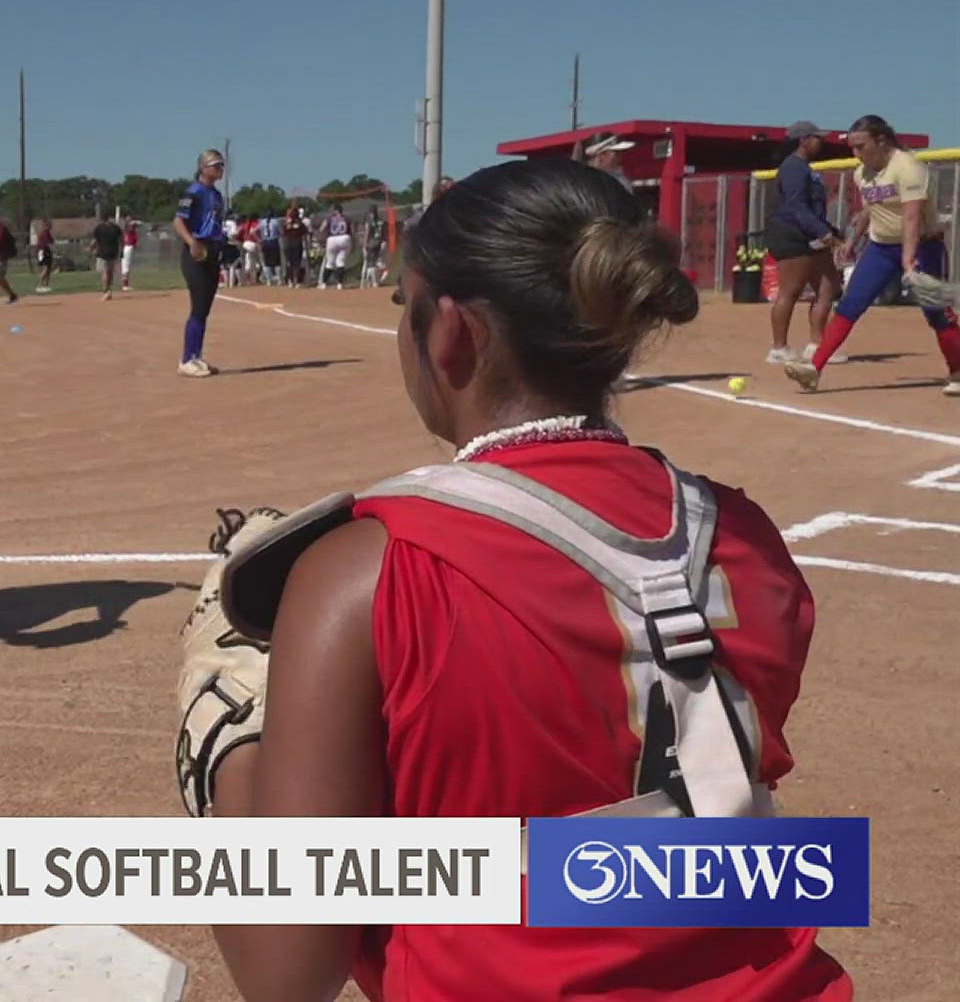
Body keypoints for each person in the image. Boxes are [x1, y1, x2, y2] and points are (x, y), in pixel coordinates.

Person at [199, 158, 850, 1000]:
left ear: (451, 332)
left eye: (408, 307)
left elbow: (285, 979)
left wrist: (229, 760)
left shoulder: (368, 568)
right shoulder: (745, 536)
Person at [785, 114, 959, 396]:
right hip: (882, 248)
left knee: (936, 312)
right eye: (852, 147)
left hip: (923, 246)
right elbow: (870, 209)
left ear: (882, 141)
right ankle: (813, 369)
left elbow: (912, 217)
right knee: (850, 304)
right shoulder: (861, 173)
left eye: (861, 146)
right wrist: (853, 240)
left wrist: (908, 258)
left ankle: (957, 371)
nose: (856, 153)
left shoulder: (908, 167)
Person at [764, 121, 844, 366]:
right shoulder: (793, 168)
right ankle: (778, 348)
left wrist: (830, 230)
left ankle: (816, 345)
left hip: (811, 235)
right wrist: (822, 231)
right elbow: (796, 205)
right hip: (792, 236)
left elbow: (811, 207)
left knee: (827, 288)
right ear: (803, 140)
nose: (820, 142)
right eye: (816, 137)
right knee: (790, 291)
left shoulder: (806, 168)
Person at [173, 149, 227, 377]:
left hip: (212, 251)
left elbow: (213, 224)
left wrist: (223, 242)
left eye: (221, 165)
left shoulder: (216, 195)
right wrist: (192, 242)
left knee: (204, 309)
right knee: (198, 306)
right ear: (203, 167)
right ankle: (186, 359)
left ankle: (196, 356)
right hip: (196, 252)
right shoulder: (193, 192)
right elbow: (178, 221)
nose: (220, 169)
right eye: (215, 164)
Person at [91, 215, 123, 299]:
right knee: (110, 272)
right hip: (113, 252)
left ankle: (106, 290)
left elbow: (94, 240)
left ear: (101, 219)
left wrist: (91, 248)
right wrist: (120, 251)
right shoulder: (116, 227)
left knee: (104, 271)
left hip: (102, 252)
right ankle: (109, 289)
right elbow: (121, 239)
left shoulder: (98, 228)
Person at [320, 204, 352, 287]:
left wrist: (323, 237)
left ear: (336, 210)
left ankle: (324, 283)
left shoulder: (330, 218)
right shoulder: (346, 218)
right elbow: (352, 230)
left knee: (330, 262)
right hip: (345, 238)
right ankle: (340, 284)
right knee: (340, 262)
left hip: (332, 239)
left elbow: (321, 229)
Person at [280, 204, 308, 288]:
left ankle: (290, 281)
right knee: (296, 264)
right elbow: (305, 235)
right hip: (296, 244)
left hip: (289, 244)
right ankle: (295, 280)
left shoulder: (286, 223)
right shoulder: (300, 223)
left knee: (290, 263)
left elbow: (283, 234)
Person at [359, 207, 387, 287]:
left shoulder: (369, 222)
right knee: (375, 262)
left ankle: (373, 282)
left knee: (371, 264)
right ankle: (372, 281)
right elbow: (383, 232)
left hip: (372, 242)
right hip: (379, 241)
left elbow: (367, 233)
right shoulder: (380, 221)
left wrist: (365, 245)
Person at [258, 210, 282, 285]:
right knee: (277, 261)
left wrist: (259, 239)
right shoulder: (276, 221)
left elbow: (254, 231)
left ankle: (268, 280)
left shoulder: (262, 222)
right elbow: (281, 231)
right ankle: (279, 279)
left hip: (265, 241)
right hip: (274, 241)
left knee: (266, 261)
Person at [32, 217, 54, 294]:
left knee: (48, 269)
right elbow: (48, 244)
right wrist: (53, 250)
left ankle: (46, 285)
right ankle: (40, 284)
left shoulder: (46, 233)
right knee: (46, 268)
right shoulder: (45, 233)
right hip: (44, 251)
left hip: (44, 251)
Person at [119, 216, 138, 290]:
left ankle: (126, 284)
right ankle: (125, 285)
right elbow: (131, 227)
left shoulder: (130, 228)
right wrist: (131, 223)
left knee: (127, 267)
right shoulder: (128, 228)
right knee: (125, 267)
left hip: (128, 247)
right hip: (127, 247)